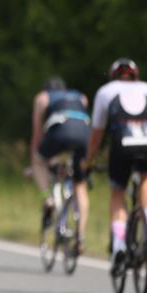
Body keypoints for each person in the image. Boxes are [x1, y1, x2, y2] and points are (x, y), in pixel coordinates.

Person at [84, 58, 147, 274]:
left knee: (118, 190)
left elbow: (97, 132)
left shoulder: (106, 91)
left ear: (113, 76)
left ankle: (118, 246)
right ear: (136, 75)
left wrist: (88, 160)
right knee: (146, 177)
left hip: (122, 143)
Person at [29, 76, 91, 251]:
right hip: (85, 134)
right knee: (80, 185)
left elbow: (37, 134)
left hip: (59, 132)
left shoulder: (42, 98)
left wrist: (35, 160)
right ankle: (80, 236)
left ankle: (48, 199)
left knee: (39, 162)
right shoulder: (81, 97)